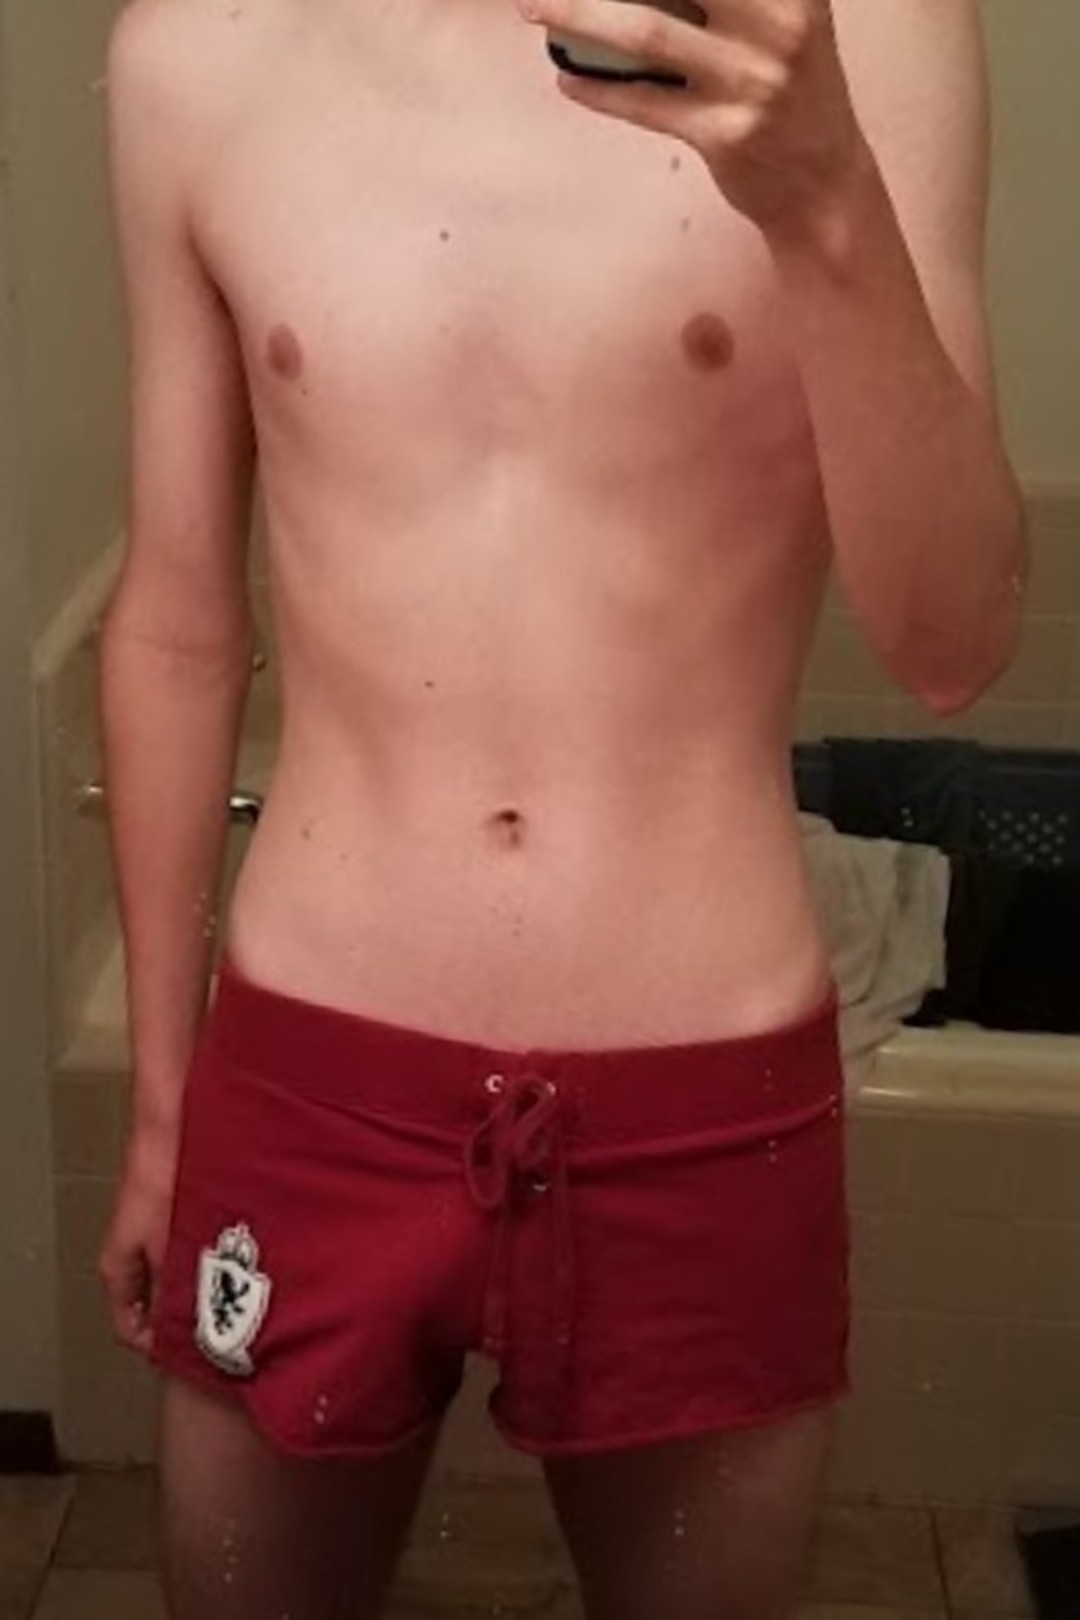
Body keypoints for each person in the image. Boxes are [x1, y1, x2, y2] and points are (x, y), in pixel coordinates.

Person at [97, 0, 1028, 1614]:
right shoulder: (203, 50)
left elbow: (954, 643)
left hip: (702, 1079)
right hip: (309, 1072)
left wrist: (825, 201)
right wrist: (167, 1106)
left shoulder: (871, 36)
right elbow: (177, 621)